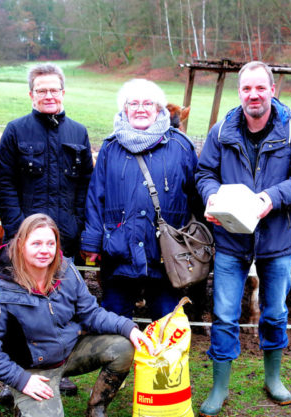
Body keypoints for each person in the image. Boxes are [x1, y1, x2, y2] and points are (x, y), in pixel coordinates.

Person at [195, 61, 291, 416]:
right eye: (247, 89)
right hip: (231, 240)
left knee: (276, 313)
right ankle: (219, 387)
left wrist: (271, 198)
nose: (254, 95)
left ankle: (273, 379)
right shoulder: (221, 132)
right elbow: (204, 173)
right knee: (223, 314)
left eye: (260, 88)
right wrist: (211, 197)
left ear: (272, 90)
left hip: (276, 240)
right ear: (240, 93)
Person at [0, 214, 153, 417]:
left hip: (69, 352)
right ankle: (20, 400)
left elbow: (91, 314)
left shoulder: (66, 270)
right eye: (36, 243)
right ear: (21, 245)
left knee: (123, 346)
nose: (44, 250)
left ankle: (96, 409)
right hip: (33, 369)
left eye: (50, 243)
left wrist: (128, 328)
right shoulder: (0, 289)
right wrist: (20, 379)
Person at [0, 62, 93, 399]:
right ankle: (15, 377)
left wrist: (78, 223)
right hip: (25, 240)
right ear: (31, 94)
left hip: (65, 238)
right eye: (42, 90)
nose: (48, 95)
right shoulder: (16, 131)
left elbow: (85, 184)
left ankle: (58, 372)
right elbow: (4, 182)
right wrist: (14, 230)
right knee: (19, 308)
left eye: (54, 89)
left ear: (63, 92)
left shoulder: (77, 133)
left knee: (63, 308)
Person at [80, 79, 200, 321]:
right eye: (133, 103)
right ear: (124, 109)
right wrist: (92, 242)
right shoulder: (110, 147)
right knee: (113, 325)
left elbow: (196, 196)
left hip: (166, 254)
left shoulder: (181, 147)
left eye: (148, 103)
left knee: (167, 326)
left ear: (159, 109)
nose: (141, 108)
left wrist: (199, 241)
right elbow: (96, 196)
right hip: (118, 252)